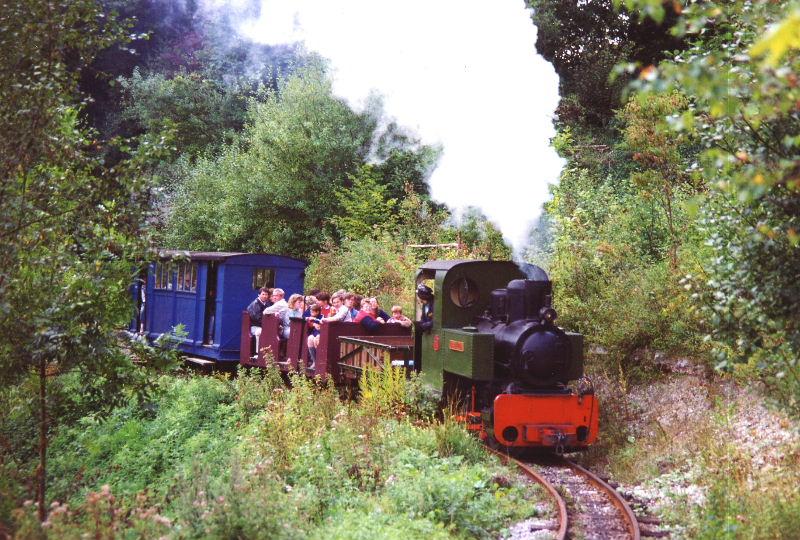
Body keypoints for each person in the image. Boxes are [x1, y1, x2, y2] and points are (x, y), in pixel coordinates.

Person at [305, 304, 323, 369]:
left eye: (312, 312)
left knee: (316, 340)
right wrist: (312, 323)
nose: (311, 313)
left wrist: (317, 324)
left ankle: (319, 361)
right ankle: (314, 361)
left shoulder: (322, 317)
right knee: (310, 339)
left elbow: (321, 325)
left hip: (320, 333)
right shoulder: (311, 317)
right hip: (314, 333)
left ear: (317, 312)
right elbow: (304, 318)